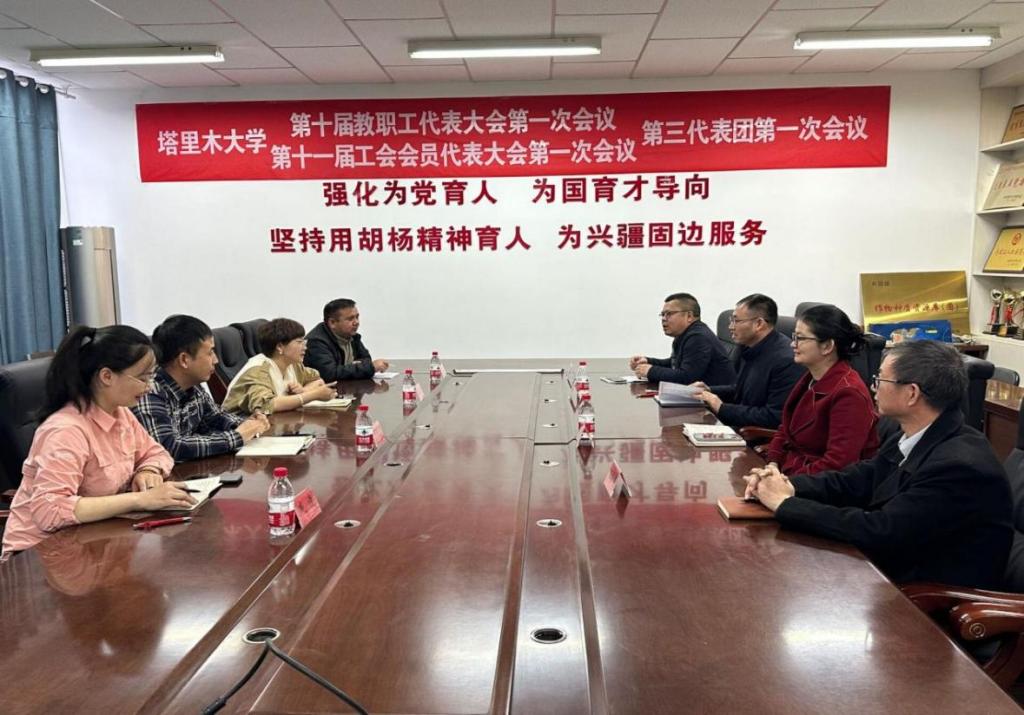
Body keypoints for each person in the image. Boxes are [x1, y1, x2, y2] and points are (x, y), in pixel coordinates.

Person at [746, 340, 1013, 589]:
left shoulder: (959, 467)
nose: (873, 387)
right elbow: (859, 479)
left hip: (928, 601)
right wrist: (787, 485)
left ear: (911, 393)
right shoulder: (914, 434)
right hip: (889, 573)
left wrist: (785, 504)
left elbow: (881, 530)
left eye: (880, 379)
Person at [2, 325, 196, 556]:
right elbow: (50, 511)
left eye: (152, 376)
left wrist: (148, 470)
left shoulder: (120, 413)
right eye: (143, 377)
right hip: (39, 554)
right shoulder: (65, 431)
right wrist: (140, 499)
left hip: (91, 539)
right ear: (107, 376)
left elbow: (156, 453)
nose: (150, 386)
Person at [132, 315, 269, 462]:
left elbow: (216, 418)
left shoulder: (193, 385)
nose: (216, 360)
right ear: (184, 360)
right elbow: (169, 447)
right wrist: (237, 436)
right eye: (210, 352)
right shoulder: (149, 391)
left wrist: (250, 423)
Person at [763, 305, 879, 475]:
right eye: (794, 337)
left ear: (827, 346)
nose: (792, 344)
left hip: (818, 484)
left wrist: (785, 483)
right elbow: (785, 429)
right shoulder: (811, 378)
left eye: (800, 338)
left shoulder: (849, 393)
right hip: (790, 474)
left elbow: (838, 464)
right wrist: (772, 464)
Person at [695, 294, 804, 429]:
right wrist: (709, 390)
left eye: (736, 321)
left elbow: (774, 417)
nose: (730, 327)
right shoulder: (748, 347)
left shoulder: (786, 360)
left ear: (759, 324)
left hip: (755, 436)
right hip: (738, 424)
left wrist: (721, 407)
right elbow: (742, 390)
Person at [222, 318, 336, 414]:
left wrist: (303, 390)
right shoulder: (259, 371)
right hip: (239, 424)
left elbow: (317, 380)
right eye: (299, 342)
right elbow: (265, 406)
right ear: (280, 347)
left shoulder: (293, 364)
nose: (305, 347)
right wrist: (313, 395)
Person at [629, 292, 735, 386]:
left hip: (715, 399)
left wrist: (651, 371)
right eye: (662, 314)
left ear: (689, 316)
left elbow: (686, 378)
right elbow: (675, 364)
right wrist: (648, 361)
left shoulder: (698, 337)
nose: (664, 319)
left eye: (669, 314)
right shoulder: (686, 334)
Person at [305, 298, 389, 381]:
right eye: (350, 319)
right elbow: (330, 374)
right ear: (332, 323)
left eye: (357, 317)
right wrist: (368, 367)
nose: (356, 322)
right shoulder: (316, 342)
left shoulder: (352, 336)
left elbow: (366, 359)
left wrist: (353, 368)